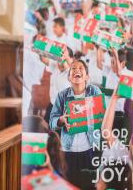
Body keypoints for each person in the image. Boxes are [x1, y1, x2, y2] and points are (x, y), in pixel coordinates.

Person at [49, 59, 102, 190]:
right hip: (67, 152)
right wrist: (61, 119)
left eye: (81, 68)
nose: (77, 70)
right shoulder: (62, 96)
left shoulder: (94, 92)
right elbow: (51, 122)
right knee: (68, 186)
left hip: (90, 150)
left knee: (88, 186)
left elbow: (102, 116)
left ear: (87, 76)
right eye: (73, 68)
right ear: (69, 76)